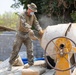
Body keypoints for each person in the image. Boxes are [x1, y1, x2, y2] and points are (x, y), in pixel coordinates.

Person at [8, 3, 43, 71]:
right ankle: (10, 64)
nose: (33, 12)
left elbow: (36, 23)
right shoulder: (22, 14)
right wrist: (30, 29)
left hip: (28, 34)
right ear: (29, 9)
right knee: (15, 50)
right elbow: (24, 24)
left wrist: (40, 29)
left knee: (30, 50)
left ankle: (30, 64)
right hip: (20, 34)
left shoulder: (33, 16)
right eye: (32, 11)